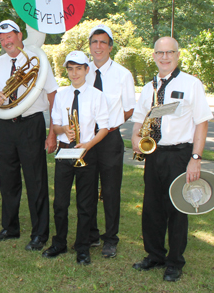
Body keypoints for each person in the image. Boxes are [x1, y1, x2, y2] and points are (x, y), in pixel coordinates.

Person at [131, 37, 213, 282]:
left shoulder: (191, 83)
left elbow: (202, 122)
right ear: (154, 56)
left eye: (170, 52)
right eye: (160, 53)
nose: (164, 57)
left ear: (178, 55)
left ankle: (175, 262)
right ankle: (154, 255)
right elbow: (139, 117)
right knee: (152, 208)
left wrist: (195, 158)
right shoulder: (150, 86)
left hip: (179, 155)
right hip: (154, 155)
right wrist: (135, 137)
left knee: (177, 208)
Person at [0, 20, 58, 251]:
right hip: (6, 127)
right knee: (8, 180)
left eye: (9, 36)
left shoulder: (38, 60)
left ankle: (40, 234)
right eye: (1, 39)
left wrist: (52, 133)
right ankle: (10, 228)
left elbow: (52, 95)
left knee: (36, 181)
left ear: (20, 35)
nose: (5, 42)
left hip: (31, 125)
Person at [42, 51, 109, 264]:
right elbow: (56, 123)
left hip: (87, 152)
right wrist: (65, 129)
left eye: (79, 68)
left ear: (86, 70)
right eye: (70, 69)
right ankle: (59, 243)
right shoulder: (61, 95)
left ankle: (82, 247)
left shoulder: (97, 95)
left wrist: (88, 144)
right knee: (60, 202)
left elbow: (104, 127)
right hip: (65, 151)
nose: (74, 73)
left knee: (86, 203)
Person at [85, 25, 136, 258]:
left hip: (110, 139)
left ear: (111, 46)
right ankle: (92, 234)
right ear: (90, 45)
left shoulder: (123, 74)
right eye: (94, 42)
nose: (98, 46)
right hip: (86, 137)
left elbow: (128, 109)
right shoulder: (82, 71)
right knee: (87, 187)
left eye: (103, 42)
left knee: (111, 190)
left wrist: (108, 125)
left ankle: (111, 238)